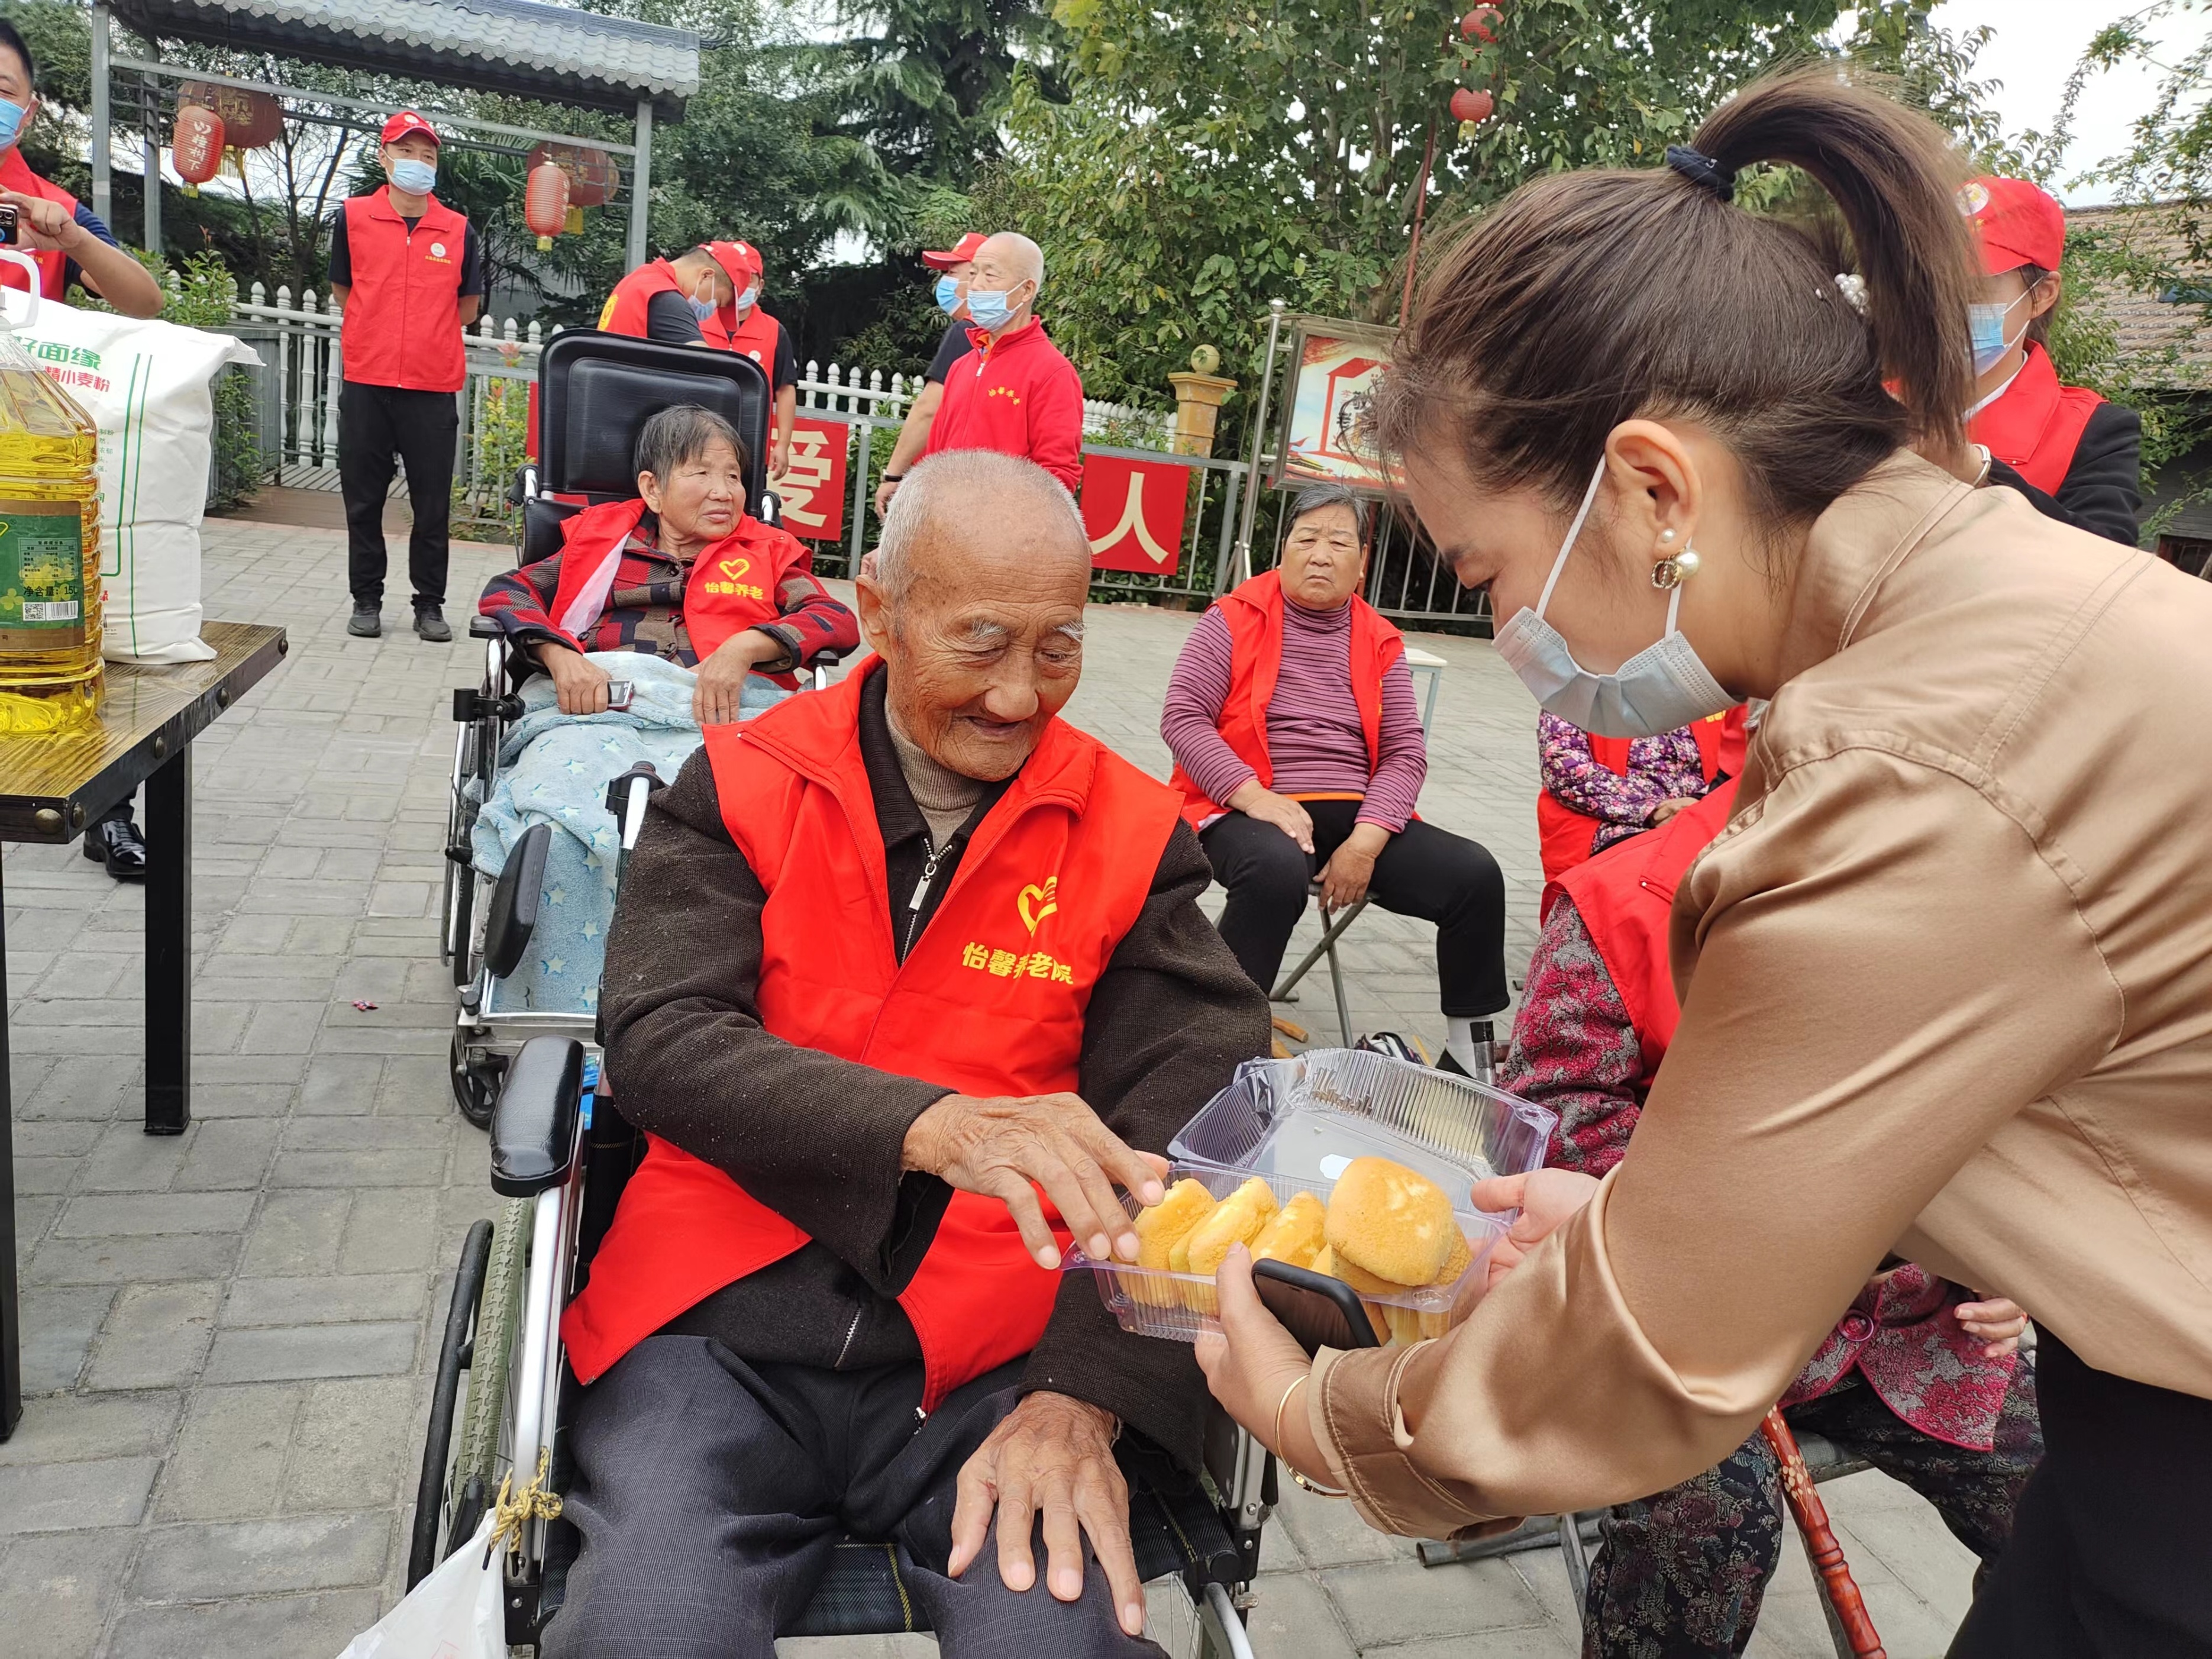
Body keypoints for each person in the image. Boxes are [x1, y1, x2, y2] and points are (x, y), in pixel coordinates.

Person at [1191, 68, 2212, 1659]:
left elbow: (1654, 1365)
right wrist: (1632, 1220)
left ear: (1653, 492)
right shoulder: (1994, 609)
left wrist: (1321, 1408)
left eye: (1490, 572)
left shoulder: (1913, 761)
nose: (1516, 637)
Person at [542, 448, 1270, 1658]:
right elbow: (663, 1039)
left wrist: (1084, 1396)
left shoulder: (1135, 840)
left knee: (1060, 1645)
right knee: (644, 1630)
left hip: (1001, 1361)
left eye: (1059, 647)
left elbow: (1194, 1118)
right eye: (980, 642)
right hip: (711, 1329)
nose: (1020, 696)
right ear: (877, 607)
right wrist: (940, 1128)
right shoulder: (742, 784)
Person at [1507, 778, 2042, 1654]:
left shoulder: (1951, 898)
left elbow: (1997, 1118)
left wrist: (2001, 1254)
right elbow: (1549, 1131)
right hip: (1672, 1321)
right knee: (1708, 1532)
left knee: (2084, 1498)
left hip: (1891, 1326)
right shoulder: (1622, 902)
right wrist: (1770, 1226)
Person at [1161, 482, 1509, 1076]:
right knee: (1274, 869)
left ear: (1362, 561)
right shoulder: (1231, 619)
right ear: (1283, 548)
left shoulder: (1379, 638)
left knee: (1474, 876)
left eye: (1338, 541)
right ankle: (1220, 1046)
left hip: (1356, 815)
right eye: (1307, 538)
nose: (1320, 554)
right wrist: (1254, 796)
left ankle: (1471, 1060)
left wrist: (1367, 841)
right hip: (1243, 807)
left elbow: (1404, 751)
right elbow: (1183, 718)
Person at [0, 18, 183, 882]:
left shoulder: (50, 207)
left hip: (38, 472)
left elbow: (143, 300)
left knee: (69, 631)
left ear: (29, 110)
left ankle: (109, 810)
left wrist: (69, 241)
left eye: (3, 91)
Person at [479, 404, 855, 725]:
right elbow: (509, 593)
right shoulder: (603, 544)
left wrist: (744, 648)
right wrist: (559, 655)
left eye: (733, 476)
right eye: (702, 473)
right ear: (653, 489)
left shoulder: (767, 551)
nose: (723, 492)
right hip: (604, 706)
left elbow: (833, 617)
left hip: (726, 712)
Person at [330, 110, 483, 644]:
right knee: (363, 499)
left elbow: (467, 307)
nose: (417, 164)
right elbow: (344, 291)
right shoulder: (352, 218)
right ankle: (366, 600)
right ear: (383, 156)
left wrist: (420, 329)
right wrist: (379, 328)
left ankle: (430, 605)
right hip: (368, 380)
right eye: (406, 152)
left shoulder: (458, 229)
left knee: (432, 503)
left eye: (428, 156)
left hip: (432, 384)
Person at [1941, 176, 2141, 546]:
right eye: (1932, 284)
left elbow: (2107, 555)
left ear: (2041, 295)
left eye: (1973, 289)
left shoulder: (2093, 431)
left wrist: (1978, 469)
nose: (1945, 308)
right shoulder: (1870, 398)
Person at [598, 240, 798, 477]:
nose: (711, 308)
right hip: (630, 444)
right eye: (718, 301)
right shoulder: (666, 299)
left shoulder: (639, 281)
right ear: (706, 276)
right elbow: (708, 379)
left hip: (609, 430)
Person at [921, 233, 1084, 495]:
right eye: (973, 273)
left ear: (1026, 290)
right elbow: (935, 456)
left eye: (990, 275)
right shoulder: (962, 366)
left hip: (1003, 529)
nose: (975, 285)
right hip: (946, 522)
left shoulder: (1053, 372)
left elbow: (1058, 476)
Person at [1533, 705, 1746, 887]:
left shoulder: (1709, 691)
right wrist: (1653, 810)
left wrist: (1699, 802)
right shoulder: (1579, 687)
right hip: (1606, 823)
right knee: (1662, 870)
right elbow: (1564, 769)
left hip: (1696, 817)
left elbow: (1739, 766)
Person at [876, 230, 985, 520]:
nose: (945, 282)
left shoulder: (966, 334)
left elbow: (928, 410)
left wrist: (893, 475)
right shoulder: (1003, 343)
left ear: (977, 276)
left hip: (944, 486)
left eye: (953, 272)